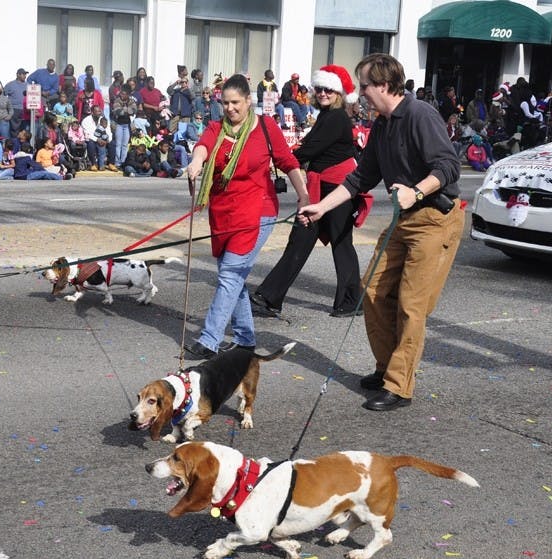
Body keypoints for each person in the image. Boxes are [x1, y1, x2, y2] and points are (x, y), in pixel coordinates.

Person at [297, 53, 464, 412]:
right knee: (371, 290)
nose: (360, 93)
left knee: (411, 304)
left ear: (385, 86)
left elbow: (449, 167)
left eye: (365, 86)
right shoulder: (383, 125)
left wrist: (416, 191)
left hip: (435, 218)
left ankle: (399, 386)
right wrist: (321, 207)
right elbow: (361, 177)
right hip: (406, 219)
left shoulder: (420, 115)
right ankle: (388, 368)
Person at [183, 74, 308, 359]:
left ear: (248, 101)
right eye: (225, 103)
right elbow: (203, 146)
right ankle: (245, 339)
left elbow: (288, 162)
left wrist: (303, 194)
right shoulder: (217, 127)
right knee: (233, 275)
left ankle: (209, 339)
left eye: (235, 102)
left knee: (229, 274)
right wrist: (195, 163)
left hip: (257, 210)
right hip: (224, 213)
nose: (230, 108)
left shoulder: (265, 127)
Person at [251, 65, 368, 319]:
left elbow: (309, 150)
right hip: (320, 185)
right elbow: (309, 149)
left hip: (338, 187)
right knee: (301, 240)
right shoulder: (326, 115)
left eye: (329, 89)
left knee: (341, 242)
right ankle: (270, 297)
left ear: (338, 93)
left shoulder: (336, 118)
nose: (323, 93)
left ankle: (352, 301)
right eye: (320, 88)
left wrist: (280, 157)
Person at [111, 87, 136, 168]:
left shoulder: (131, 101)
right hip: (119, 124)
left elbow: (134, 110)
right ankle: (117, 162)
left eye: (124, 94)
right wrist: (127, 110)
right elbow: (118, 112)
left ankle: (123, 162)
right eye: (121, 93)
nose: (122, 95)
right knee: (118, 144)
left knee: (125, 145)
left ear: (128, 95)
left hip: (128, 125)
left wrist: (124, 110)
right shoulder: (117, 100)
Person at [4, 68, 29, 137]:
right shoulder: (10, 85)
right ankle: (14, 143)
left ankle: (22, 145)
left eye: (25, 74)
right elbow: (3, 94)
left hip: (25, 110)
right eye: (23, 74)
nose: (25, 76)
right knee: (14, 129)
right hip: (14, 109)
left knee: (24, 129)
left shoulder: (28, 85)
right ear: (18, 75)